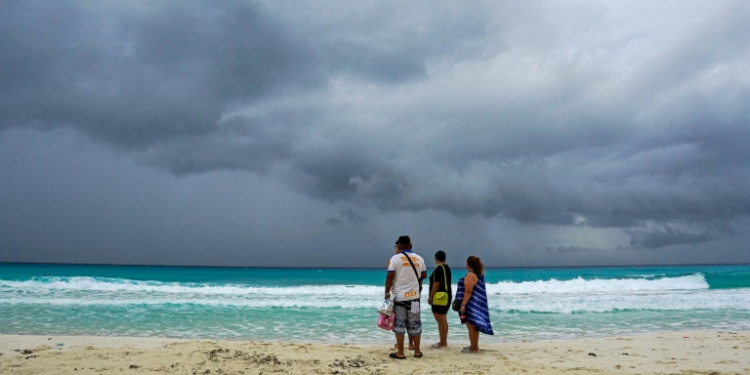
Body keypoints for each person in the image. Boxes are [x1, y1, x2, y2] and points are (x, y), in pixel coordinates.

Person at [385, 235, 427, 359]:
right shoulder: (419, 258)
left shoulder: (395, 259)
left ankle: (401, 353)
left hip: (399, 299)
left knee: (399, 324)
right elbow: (424, 275)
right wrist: (414, 281)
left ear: (400, 246)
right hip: (414, 298)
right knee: (415, 323)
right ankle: (417, 351)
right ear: (411, 245)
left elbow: (390, 276)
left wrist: (387, 292)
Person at [455, 255, 494, 353]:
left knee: (471, 326)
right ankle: (474, 346)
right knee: (473, 326)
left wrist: (463, 305)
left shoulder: (470, 275)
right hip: (475, 303)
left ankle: (474, 348)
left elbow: (468, 291)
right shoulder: (478, 274)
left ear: (468, 264)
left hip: (470, 304)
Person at [428, 250, 452, 349]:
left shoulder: (438, 268)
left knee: (440, 320)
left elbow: (436, 284)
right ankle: (444, 341)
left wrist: (431, 296)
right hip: (447, 295)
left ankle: (442, 342)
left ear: (436, 258)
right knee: (443, 319)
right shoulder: (447, 268)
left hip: (439, 297)